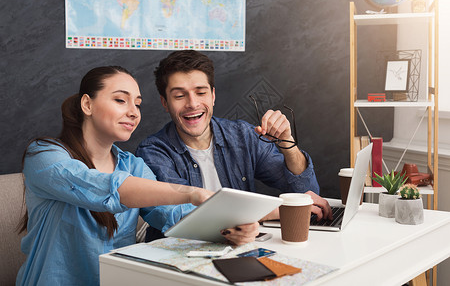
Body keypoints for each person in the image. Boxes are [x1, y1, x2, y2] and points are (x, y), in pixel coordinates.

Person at [16, 66, 258, 286]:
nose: (133, 112)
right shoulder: (44, 155)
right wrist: (192, 193)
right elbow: (106, 188)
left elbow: (173, 215)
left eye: (138, 104)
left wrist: (228, 228)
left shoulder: (133, 166)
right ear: (87, 105)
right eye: (121, 100)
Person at [136, 50, 332, 240]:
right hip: (176, 257)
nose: (192, 103)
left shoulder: (243, 135)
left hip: (240, 250)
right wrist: (270, 212)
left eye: (201, 92)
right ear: (165, 102)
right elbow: (183, 218)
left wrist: (287, 143)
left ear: (212, 96)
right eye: (179, 96)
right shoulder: (153, 152)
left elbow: (307, 194)